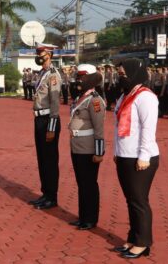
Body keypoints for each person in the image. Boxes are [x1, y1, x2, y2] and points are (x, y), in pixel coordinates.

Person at [113, 58, 160, 259]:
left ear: (134, 73)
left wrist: (143, 156)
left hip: (141, 157)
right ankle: (133, 238)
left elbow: (148, 130)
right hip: (124, 154)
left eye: (123, 74)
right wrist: (117, 151)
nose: (120, 77)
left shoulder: (145, 97)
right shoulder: (125, 95)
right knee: (131, 200)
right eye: (119, 74)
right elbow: (118, 129)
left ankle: (143, 243)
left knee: (139, 201)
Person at [68, 64, 106, 230]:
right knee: (81, 183)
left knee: (89, 184)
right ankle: (83, 216)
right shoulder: (81, 97)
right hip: (77, 146)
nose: (79, 79)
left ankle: (90, 219)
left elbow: (99, 129)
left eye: (82, 77)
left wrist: (99, 152)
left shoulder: (95, 100)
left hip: (89, 148)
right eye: (78, 76)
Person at [28, 45, 61, 210]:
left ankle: (52, 197)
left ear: (49, 55)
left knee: (50, 160)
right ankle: (45, 193)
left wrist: (52, 128)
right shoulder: (42, 73)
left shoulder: (53, 75)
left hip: (49, 119)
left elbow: (55, 102)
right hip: (39, 119)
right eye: (38, 53)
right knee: (42, 158)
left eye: (41, 54)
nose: (39, 56)